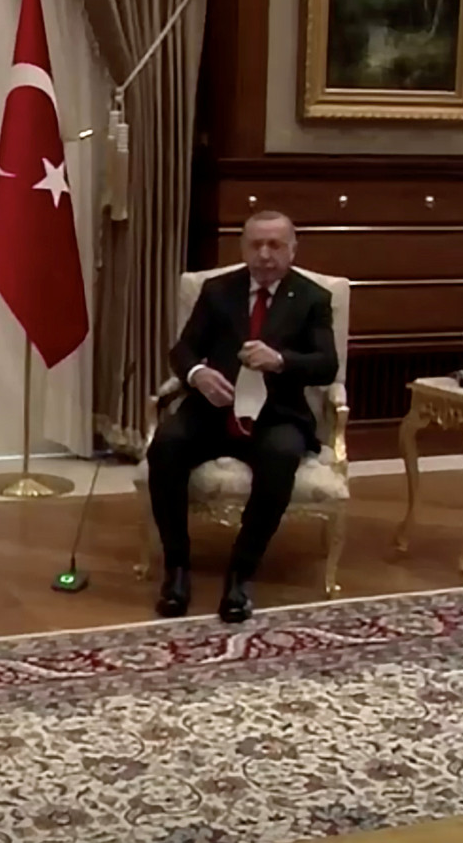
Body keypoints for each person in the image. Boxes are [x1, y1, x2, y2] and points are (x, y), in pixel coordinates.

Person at [145, 210, 337, 623]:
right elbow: (183, 351)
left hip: (276, 414)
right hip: (213, 409)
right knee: (166, 446)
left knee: (281, 456)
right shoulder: (218, 291)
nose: (265, 254)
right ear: (243, 248)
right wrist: (197, 375)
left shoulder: (312, 298)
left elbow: (326, 365)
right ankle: (177, 568)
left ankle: (240, 573)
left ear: (292, 249)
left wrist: (281, 360)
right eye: (256, 245)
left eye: (275, 245)